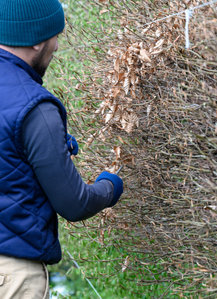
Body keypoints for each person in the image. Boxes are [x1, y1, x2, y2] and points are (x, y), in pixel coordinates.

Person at [0, 0, 124, 297]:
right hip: (11, 276)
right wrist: (110, 185)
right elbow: (74, 203)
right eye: (55, 36)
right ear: (38, 40)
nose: (56, 46)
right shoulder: (35, 108)